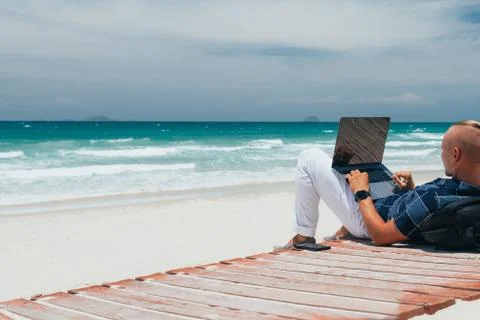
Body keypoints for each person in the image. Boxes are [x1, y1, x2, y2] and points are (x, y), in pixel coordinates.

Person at [287, 120, 480, 247]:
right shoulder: (465, 190)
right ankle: (341, 231)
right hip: (390, 204)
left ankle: (303, 236)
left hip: (370, 220)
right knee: (354, 166)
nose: (441, 155)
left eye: (443, 150)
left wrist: (362, 193)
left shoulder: (434, 199)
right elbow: (428, 215)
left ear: (456, 154)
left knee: (309, 157)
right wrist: (411, 191)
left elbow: (380, 235)